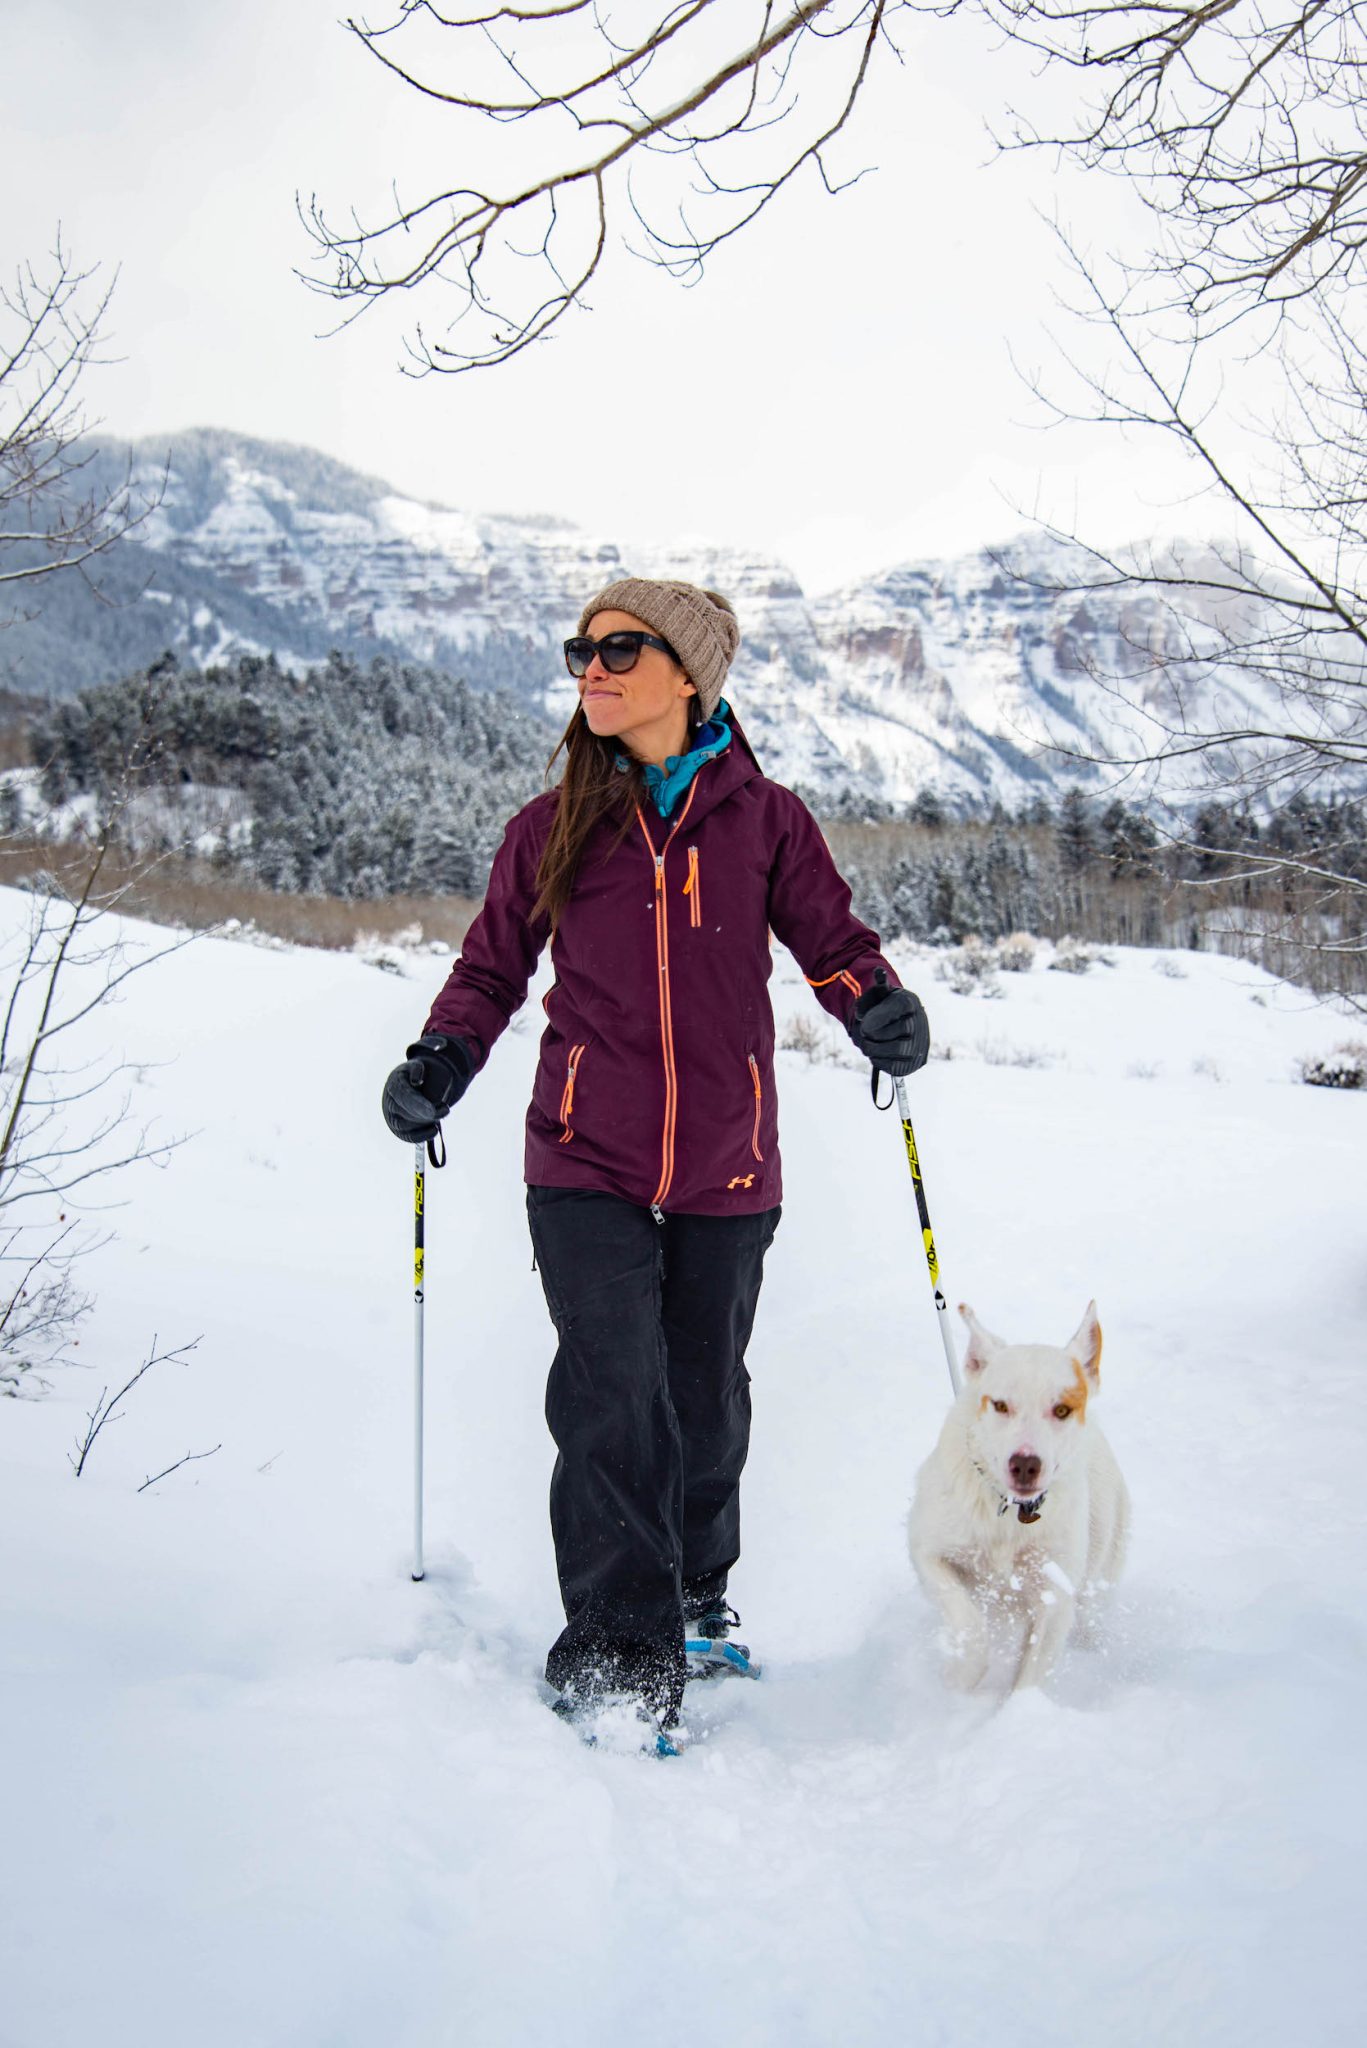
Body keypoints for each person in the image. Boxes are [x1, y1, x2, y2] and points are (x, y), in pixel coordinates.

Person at [381, 577, 929, 1742]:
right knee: (611, 1392)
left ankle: (692, 1593)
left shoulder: (766, 820)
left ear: (688, 673)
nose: (590, 664)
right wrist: (440, 1057)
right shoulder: (552, 825)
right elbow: (491, 970)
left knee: (702, 1394)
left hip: (728, 1160)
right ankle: (616, 1659)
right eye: (581, 646)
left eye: (618, 647)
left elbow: (831, 941)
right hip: (582, 1155)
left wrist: (875, 1004)